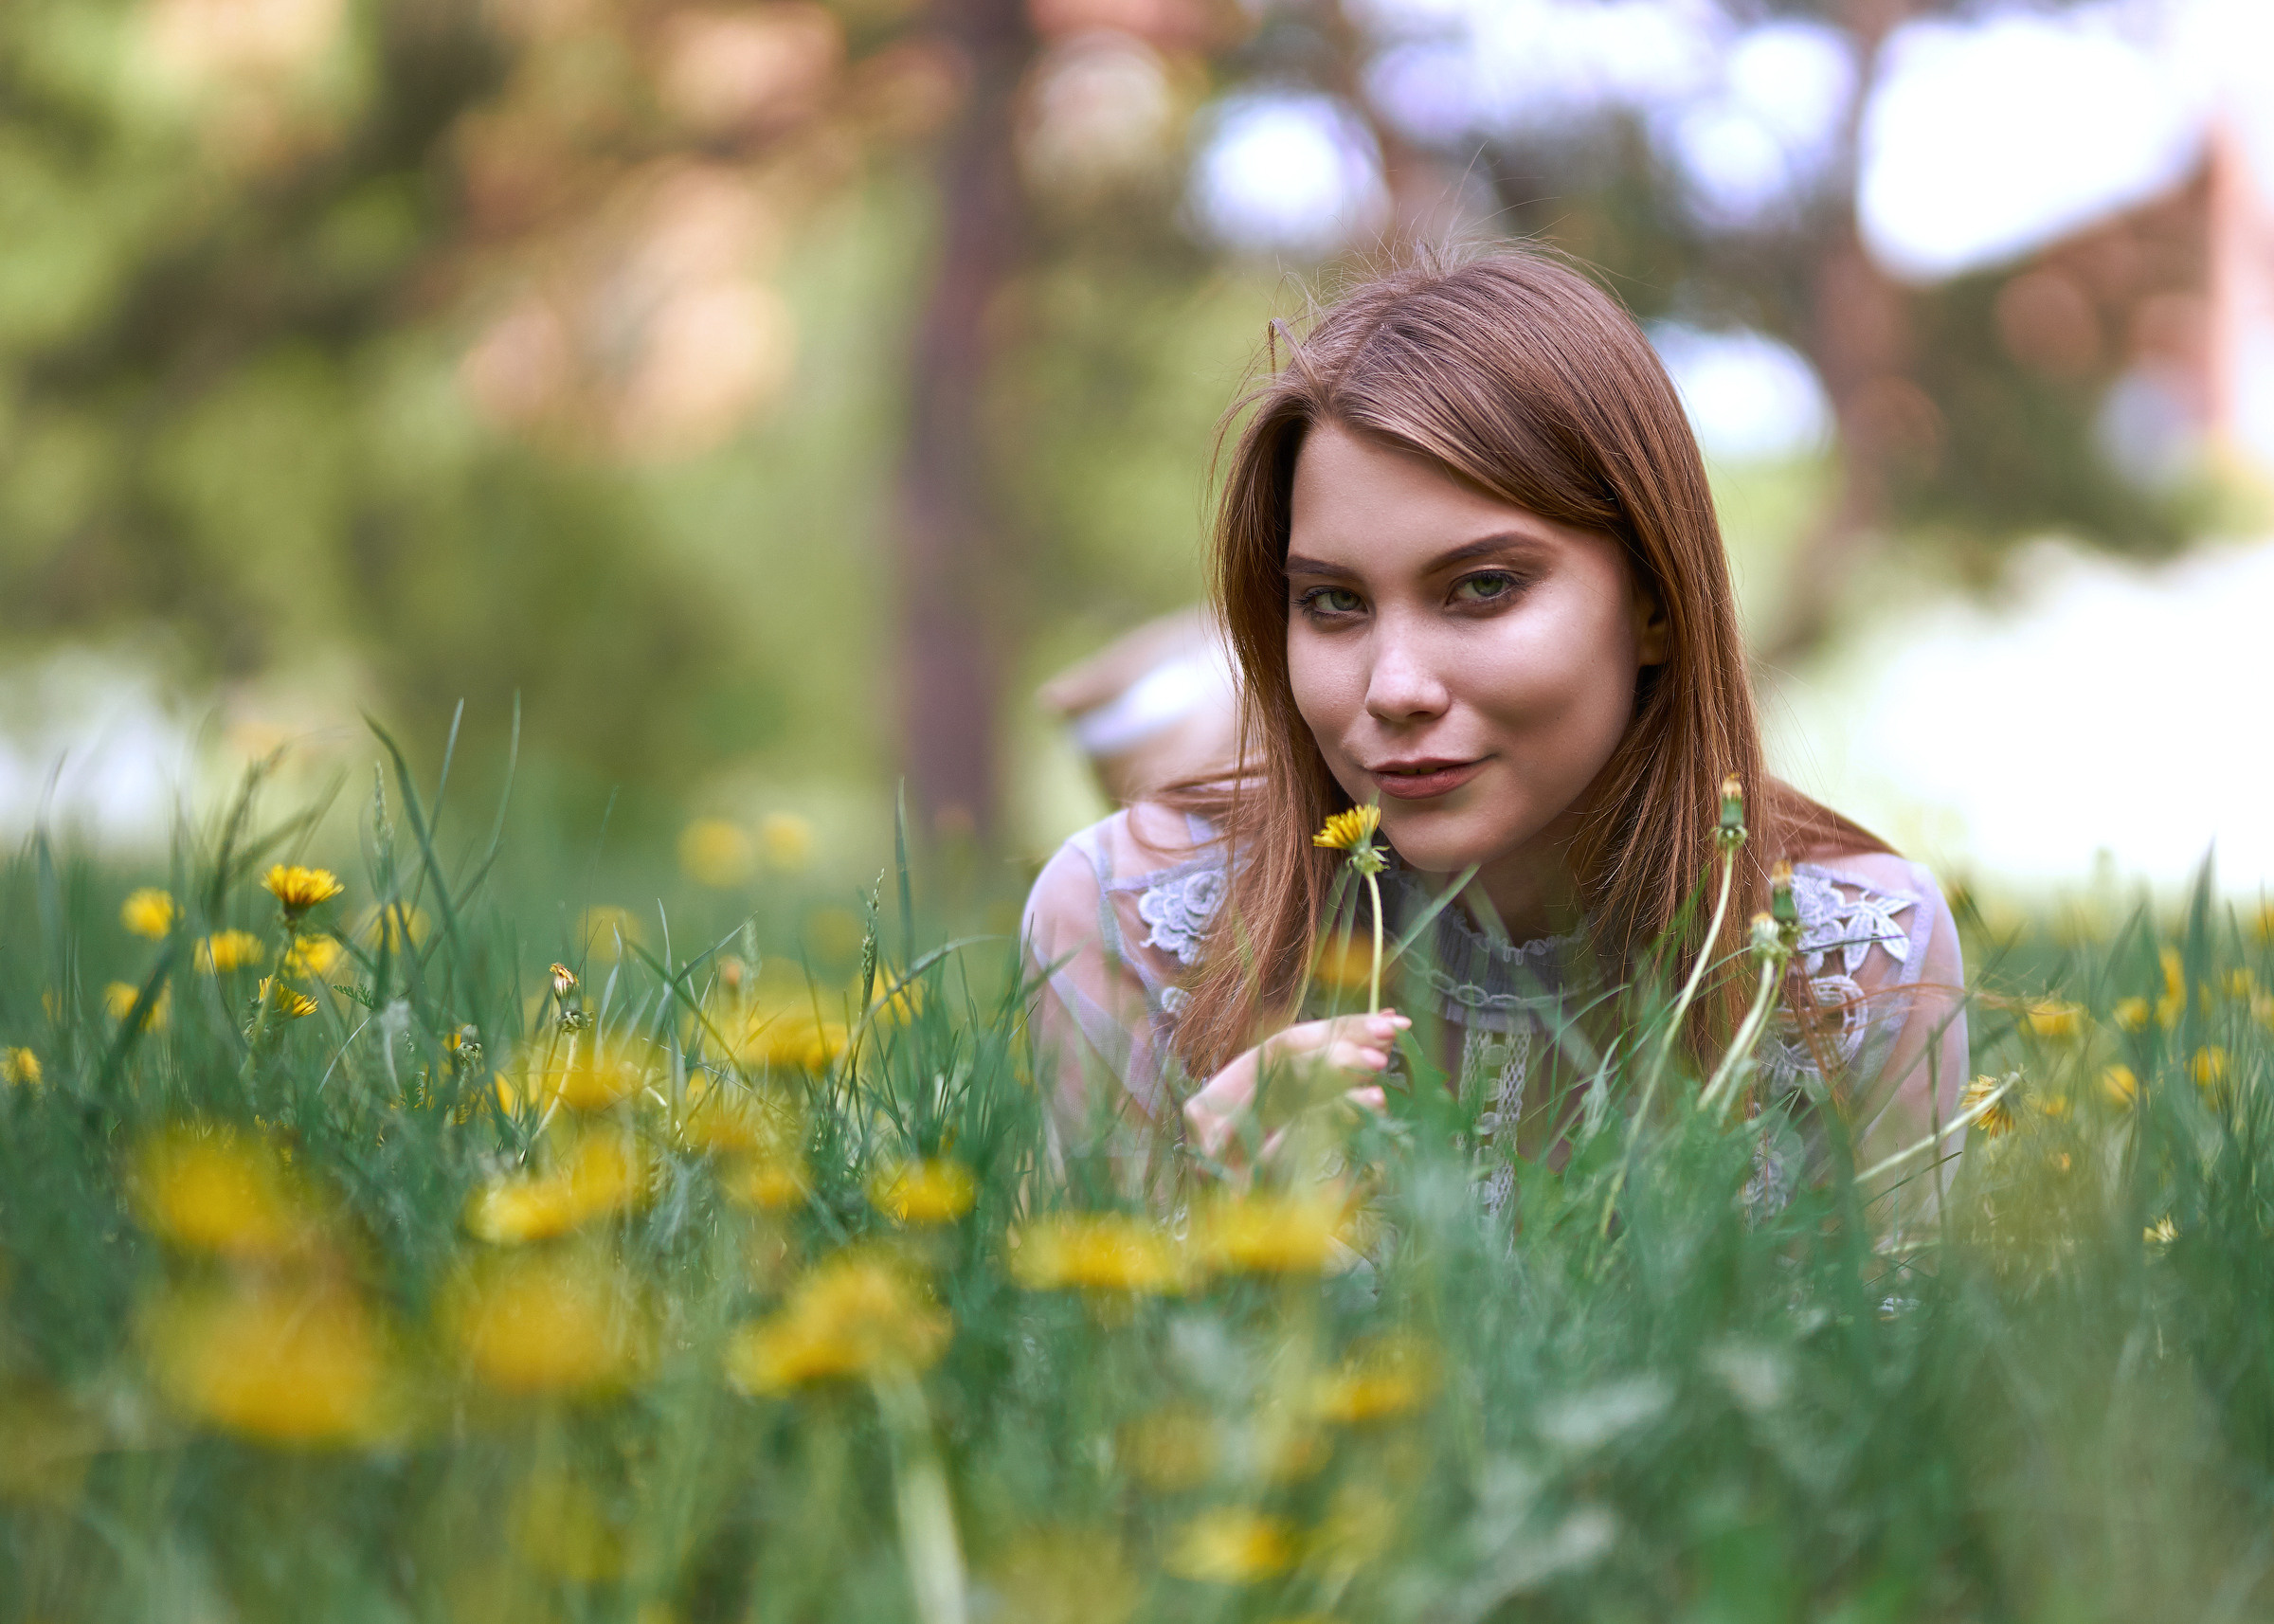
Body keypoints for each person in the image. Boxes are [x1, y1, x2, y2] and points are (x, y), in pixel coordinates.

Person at [1022, 250, 1968, 1235]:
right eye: (1332, 601)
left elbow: (1887, 1380)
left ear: (1654, 600)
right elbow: (1068, 1368)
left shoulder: (1855, 958)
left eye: (1482, 586)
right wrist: (1209, 1231)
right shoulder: (1124, 927)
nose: (1395, 689)